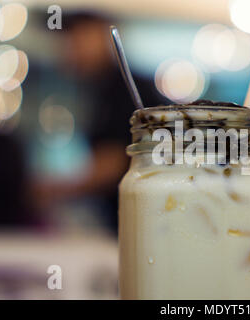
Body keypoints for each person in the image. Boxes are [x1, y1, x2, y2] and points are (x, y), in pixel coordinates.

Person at [34, 11, 167, 233]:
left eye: (78, 37)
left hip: (146, 219)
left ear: (103, 34)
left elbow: (115, 162)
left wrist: (52, 189)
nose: (70, 49)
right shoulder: (100, 89)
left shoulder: (126, 88)